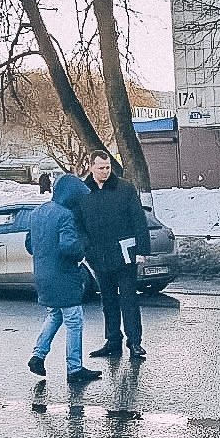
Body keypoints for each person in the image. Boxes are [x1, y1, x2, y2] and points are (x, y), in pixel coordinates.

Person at [25, 174, 101, 384]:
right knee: (74, 321)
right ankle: (74, 369)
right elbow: (69, 246)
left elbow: (29, 246)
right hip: (64, 276)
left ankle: (38, 356)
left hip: (42, 274)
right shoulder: (66, 215)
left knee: (55, 315)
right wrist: (82, 251)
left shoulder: (36, 213)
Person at [79, 149, 150, 359]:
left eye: (108, 167)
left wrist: (142, 250)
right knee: (108, 301)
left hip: (125, 255)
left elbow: (139, 221)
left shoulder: (124, 189)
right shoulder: (83, 192)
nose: (105, 171)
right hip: (98, 256)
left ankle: (135, 343)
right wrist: (86, 249)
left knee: (129, 300)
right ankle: (112, 341)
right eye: (101, 168)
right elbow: (78, 224)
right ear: (91, 167)